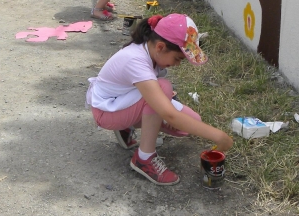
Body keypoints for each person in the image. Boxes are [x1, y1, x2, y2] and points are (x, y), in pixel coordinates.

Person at [87, 13, 233, 185]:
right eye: (178, 58)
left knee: (189, 124)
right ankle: (144, 158)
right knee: (163, 88)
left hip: (121, 102)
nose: (178, 64)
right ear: (161, 47)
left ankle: (126, 127)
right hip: (106, 113)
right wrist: (219, 136)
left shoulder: (151, 51)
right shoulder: (135, 60)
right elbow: (170, 115)